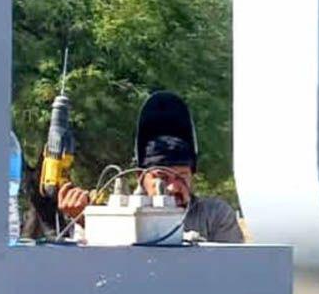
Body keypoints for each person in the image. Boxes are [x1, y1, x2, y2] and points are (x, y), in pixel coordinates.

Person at [55, 91, 245, 244]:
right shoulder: (118, 216)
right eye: (162, 178)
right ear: (140, 177)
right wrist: (88, 221)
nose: (172, 187)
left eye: (181, 176)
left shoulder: (214, 215)